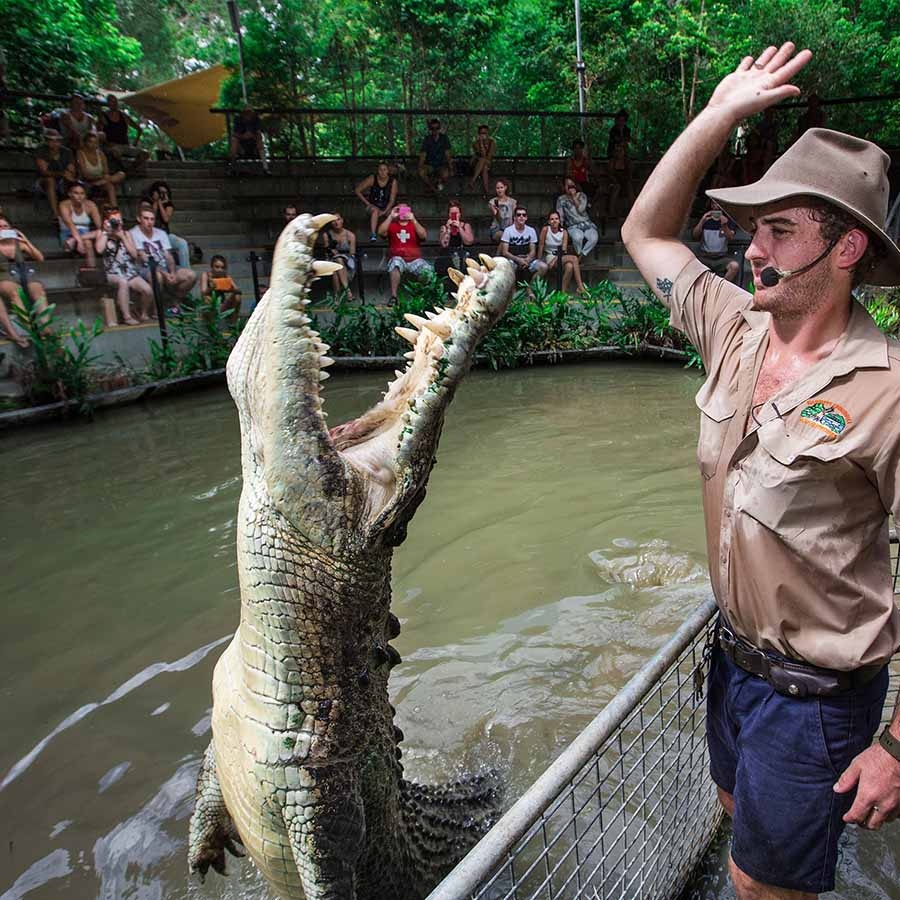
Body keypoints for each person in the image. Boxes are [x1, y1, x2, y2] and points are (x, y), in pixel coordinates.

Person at [621, 41, 900, 900]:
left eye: (779, 230)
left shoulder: (889, 392)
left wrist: (895, 747)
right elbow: (646, 231)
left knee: (761, 888)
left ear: (846, 248)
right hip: (732, 666)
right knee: (737, 813)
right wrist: (719, 115)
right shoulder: (733, 326)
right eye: (754, 227)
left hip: (819, 699)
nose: (752, 248)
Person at [95, 204, 151, 326]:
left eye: (119, 219)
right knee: (122, 282)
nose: (118, 223)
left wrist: (122, 237)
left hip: (129, 272)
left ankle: (142, 312)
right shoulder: (102, 233)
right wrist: (106, 232)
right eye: (114, 220)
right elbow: (99, 250)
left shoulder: (126, 234)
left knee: (147, 290)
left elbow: (134, 254)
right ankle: (127, 316)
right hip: (112, 273)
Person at [129, 206, 197, 302]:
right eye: (146, 218)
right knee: (158, 277)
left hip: (164, 268)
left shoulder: (161, 233)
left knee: (191, 275)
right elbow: (144, 258)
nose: (149, 222)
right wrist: (164, 273)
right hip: (145, 269)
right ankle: (156, 309)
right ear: (139, 218)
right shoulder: (133, 233)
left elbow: (168, 256)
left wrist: (172, 272)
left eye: (152, 219)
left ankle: (174, 300)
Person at [0, 217, 49, 348]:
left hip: (23, 275)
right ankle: (30, 327)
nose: (3, 229)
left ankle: (45, 326)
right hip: (3, 277)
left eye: (5, 226)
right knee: (16, 292)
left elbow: (40, 258)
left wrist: (25, 240)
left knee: (37, 288)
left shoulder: (19, 244)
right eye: (0, 227)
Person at [377, 203, 432, 304]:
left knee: (427, 270)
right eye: (399, 209)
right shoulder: (392, 225)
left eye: (405, 209)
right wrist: (391, 216)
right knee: (395, 262)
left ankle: (419, 295)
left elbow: (423, 235)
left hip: (415, 259)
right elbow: (381, 232)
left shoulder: (413, 225)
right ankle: (394, 296)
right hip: (398, 258)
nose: (402, 212)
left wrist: (413, 219)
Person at [140, 182, 191, 269]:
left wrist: (160, 203)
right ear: (154, 192)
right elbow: (151, 217)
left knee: (182, 243)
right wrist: (156, 202)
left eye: (165, 193)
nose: (163, 195)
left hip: (165, 235)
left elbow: (166, 219)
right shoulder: (146, 202)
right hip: (150, 236)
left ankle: (186, 270)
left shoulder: (168, 205)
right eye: (161, 193)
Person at [537, 210, 587, 294]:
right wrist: (539, 260)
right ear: (549, 221)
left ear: (559, 220)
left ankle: (562, 292)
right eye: (552, 219)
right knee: (574, 258)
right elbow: (541, 245)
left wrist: (555, 260)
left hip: (560, 256)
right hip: (549, 256)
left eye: (556, 219)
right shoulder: (545, 229)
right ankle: (580, 287)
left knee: (570, 266)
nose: (554, 221)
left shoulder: (564, 232)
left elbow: (563, 250)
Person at [98, 94, 148, 173]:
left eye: (115, 102)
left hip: (125, 145)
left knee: (144, 153)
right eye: (111, 102)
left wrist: (135, 142)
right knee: (115, 152)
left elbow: (139, 129)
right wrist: (107, 144)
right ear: (108, 103)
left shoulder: (123, 115)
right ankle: (123, 169)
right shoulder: (104, 116)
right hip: (112, 146)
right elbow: (99, 133)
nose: (114, 104)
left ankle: (130, 169)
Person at [691, 203, 740, 282]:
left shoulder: (728, 220)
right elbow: (695, 236)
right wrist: (702, 221)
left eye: (718, 204)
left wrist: (724, 225)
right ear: (711, 205)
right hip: (705, 256)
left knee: (734, 266)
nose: (716, 207)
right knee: (691, 264)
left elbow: (730, 236)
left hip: (721, 257)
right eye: (714, 204)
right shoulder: (705, 219)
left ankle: (721, 287)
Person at [58, 181, 101, 269]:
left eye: (82, 193)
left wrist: (77, 239)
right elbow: (70, 225)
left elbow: (100, 225)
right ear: (70, 194)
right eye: (76, 193)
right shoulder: (64, 205)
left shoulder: (90, 205)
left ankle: (91, 271)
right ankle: (92, 271)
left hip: (85, 234)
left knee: (100, 231)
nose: (79, 196)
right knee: (88, 243)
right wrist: (79, 241)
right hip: (68, 234)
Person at [34, 129, 76, 218]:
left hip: (63, 178)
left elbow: (71, 168)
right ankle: (55, 213)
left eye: (57, 140)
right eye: (52, 140)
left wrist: (69, 174)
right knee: (50, 181)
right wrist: (61, 174)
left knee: (72, 182)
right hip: (45, 180)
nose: (55, 143)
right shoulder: (41, 151)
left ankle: (73, 211)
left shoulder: (67, 152)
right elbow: (44, 172)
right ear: (47, 141)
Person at [499, 207, 547, 285]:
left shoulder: (531, 231)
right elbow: (505, 252)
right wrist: (518, 260)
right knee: (508, 268)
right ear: (514, 218)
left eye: (524, 215)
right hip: (513, 260)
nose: (521, 217)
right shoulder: (508, 231)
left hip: (527, 259)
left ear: (526, 218)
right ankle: (513, 291)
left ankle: (530, 287)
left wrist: (527, 260)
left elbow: (533, 251)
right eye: (519, 215)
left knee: (543, 267)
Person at [76, 131, 125, 206]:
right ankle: (113, 209)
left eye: (95, 142)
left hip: (102, 181)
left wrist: (103, 179)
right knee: (110, 184)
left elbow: (106, 172)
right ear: (85, 142)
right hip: (89, 181)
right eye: (90, 142)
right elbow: (85, 174)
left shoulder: (101, 154)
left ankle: (114, 211)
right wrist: (101, 178)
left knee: (120, 175)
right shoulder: (80, 153)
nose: (93, 145)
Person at [556, 177, 599, 258]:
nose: (570, 188)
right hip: (573, 226)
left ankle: (580, 257)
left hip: (587, 224)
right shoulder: (561, 199)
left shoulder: (582, 195)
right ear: (564, 187)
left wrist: (574, 197)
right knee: (578, 237)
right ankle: (578, 254)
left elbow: (581, 210)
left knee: (594, 238)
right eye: (567, 185)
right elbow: (560, 214)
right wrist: (559, 227)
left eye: (571, 185)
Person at [354, 162, 397, 241]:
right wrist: (368, 204)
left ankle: (390, 235)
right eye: (380, 170)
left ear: (388, 171)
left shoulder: (392, 181)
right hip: (372, 207)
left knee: (395, 213)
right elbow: (357, 190)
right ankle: (373, 235)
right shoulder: (372, 179)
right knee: (375, 210)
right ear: (378, 171)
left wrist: (384, 211)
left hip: (386, 207)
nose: (382, 172)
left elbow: (392, 200)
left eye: (384, 170)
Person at [606, 109, 635, 217]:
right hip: (615, 177)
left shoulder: (627, 130)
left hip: (624, 176)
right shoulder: (613, 130)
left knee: (629, 186)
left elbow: (628, 140)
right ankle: (611, 212)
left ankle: (634, 212)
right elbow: (610, 174)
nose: (621, 122)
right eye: (620, 120)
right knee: (616, 187)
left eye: (623, 120)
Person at [322, 214, 357, 299]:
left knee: (337, 264)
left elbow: (352, 254)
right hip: (331, 260)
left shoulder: (350, 235)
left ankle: (337, 298)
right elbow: (326, 253)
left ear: (342, 220)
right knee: (336, 264)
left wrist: (340, 256)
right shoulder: (327, 235)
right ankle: (347, 291)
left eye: (338, 219)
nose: (336, 222)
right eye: (333, 221)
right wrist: (332, 252)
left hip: (347, 262)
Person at [200, 255, 242, 322]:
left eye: (222, 268)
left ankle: (233, 323)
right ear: (212, 266)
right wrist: (211, 288)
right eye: (217, 267)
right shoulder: (205, 275)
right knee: (206, 298)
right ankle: (210, 322)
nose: (220, 270)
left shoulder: (225, 276)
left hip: (223, 304)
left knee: (237, 297)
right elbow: (203, 292)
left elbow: (238, 291)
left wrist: (230, 289)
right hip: (210, 304)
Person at [438, 199, 475, 274]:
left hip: (464, 254)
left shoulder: (465, 226)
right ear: (448, 214)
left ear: (460, 214)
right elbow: (444, 244)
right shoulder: (444, 227)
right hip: (448, 256)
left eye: (456, 213)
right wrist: (448, 230)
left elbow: (469, 241)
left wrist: (460, 228)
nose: (454, 215)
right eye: (452, 213)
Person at [228, 106, 269, 173]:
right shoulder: (238, 120)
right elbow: (234, 134)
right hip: (241, 145)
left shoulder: (256, 120)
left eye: (249, 112)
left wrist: (252, 136)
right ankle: (232, 168)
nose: (248, 114)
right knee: (234, 142)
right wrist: (243, 136)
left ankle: (266, 168)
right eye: (246, 112)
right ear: (243, 113)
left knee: (260, 142)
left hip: (253, 144)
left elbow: (259, 134)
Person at [418, 119, 452, 193]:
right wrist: (420, 166)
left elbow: (448, 154)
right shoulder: (427, 139)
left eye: (437, 128)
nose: (435, 130)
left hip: (441, 165)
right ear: (430, 129)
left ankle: (438, 184)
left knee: (446, 174)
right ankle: (433, 187)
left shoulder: (444, 138)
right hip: (429, 165)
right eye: (432, 128)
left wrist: (451, 166)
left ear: (439, 129)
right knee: (421, 172)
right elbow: (423, 154)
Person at [468, 124, 496, 196]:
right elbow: (482, 154)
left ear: (487, 133)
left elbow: (489, 157)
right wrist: (481, 143)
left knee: (484, 165)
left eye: (484, 133)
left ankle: (473, 181)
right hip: (475, 164)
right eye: (481, 133)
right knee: (483, 163)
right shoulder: (475, 143)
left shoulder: (492, 142)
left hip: (487, 163)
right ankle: (486, 190)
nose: (483, 135)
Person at [488, 178, 517, 245]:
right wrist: (498, 211)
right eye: (497, 188)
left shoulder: (512, 202)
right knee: (504, 236)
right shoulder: (492, 202)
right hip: (497, 229)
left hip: (510, 228)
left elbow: (514, 217)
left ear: (505, 188)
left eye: (501, 187)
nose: (499, 190)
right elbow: (498, 218)